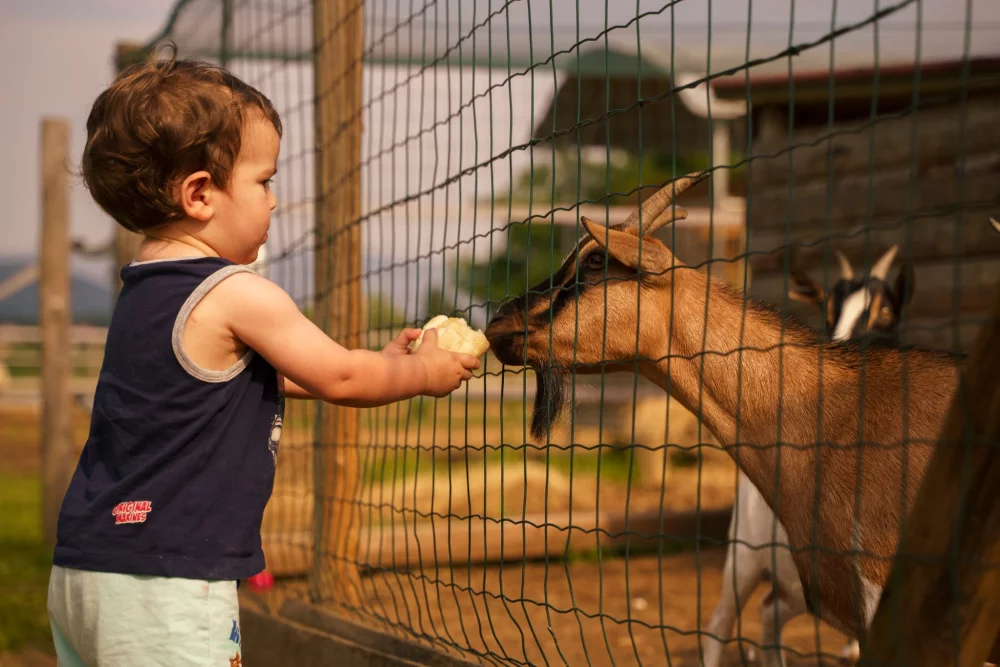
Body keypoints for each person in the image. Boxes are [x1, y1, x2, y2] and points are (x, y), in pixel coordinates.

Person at [46, 52, 479, 667]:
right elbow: (340, 376)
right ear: (200, 193)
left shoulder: (144, 284)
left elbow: (237, 379)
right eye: (264, 180)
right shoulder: (237, 290)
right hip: (168, 583)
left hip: (86, 568)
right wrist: (421, 373)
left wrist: (375, 356)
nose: (274, 201)